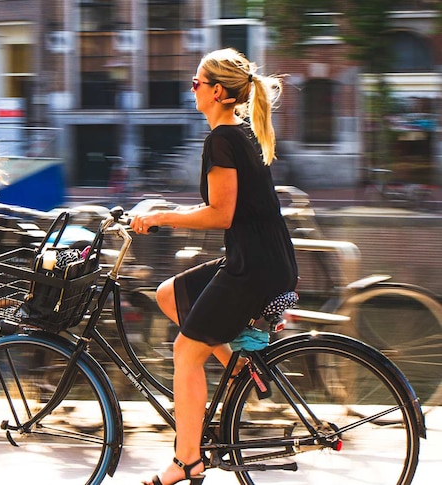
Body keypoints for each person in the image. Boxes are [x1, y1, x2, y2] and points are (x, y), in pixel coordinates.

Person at [130, 48, 298, 485]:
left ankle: (187, 460)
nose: (192, 89)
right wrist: (160, 207)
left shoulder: (222, 139)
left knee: (185, 351)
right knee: (168, 294)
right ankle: (241, 368)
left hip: (254, 267)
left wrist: (162, 217)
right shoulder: (239, 133)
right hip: (262, 258)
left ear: (218, 91)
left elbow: (219, 214)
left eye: (196, 83)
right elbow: (223, 206)